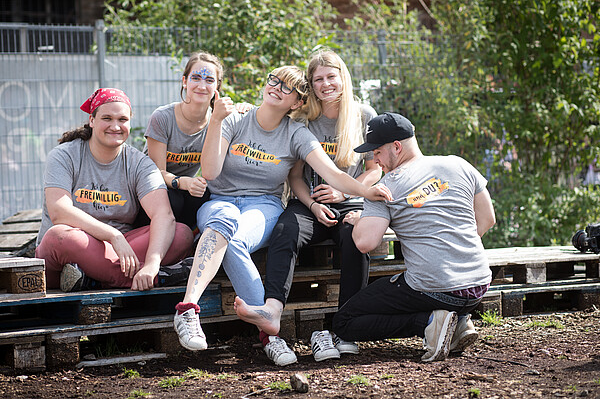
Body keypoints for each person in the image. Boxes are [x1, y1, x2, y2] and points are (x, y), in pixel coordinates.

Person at [171, 66, 393, 366]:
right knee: (220, 220)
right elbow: (209, 172)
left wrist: (367, 193)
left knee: (234, 241)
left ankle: (270, 330)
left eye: (286, 87)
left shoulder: (296, 133)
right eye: (273, 81)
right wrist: (217, 122)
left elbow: (331, 173)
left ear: (297, 103)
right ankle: (189, 310)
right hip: (221, 199)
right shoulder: (235, 118)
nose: (276, 87)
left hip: (263, 204)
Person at [234, 50, 381, 363]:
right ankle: (272, 311)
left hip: (351, 202)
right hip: (309, 204)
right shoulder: (304, 121)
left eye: (331, 77)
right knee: (285, 229)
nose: (326, 84)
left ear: (343, 77)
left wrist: (343, 195)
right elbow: (296, 176)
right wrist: (313, 205)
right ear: (311, 86)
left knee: (355, 239)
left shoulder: (364, 115)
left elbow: (375, 168)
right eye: (318, 80)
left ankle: (346, 327)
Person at [332, 112, 496, 362]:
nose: (375, 161)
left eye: (377, 152)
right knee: (424, 287)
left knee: (344, 321)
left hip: (434, 289)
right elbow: (487, 220)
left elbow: (364, 242)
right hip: (478, 285)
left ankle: (429, 323)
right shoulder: (458, 163)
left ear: (396, 147)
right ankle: (459, 320)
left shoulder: (387, 187)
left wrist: (361, 219)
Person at [35, 88, 194, 292]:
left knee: (181, 234)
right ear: (91, 120)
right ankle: (157, 279)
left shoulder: (139, 164)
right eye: (107, 118)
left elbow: (163, 215)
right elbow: (59, 212)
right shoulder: (64, 155)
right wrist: (113, 236)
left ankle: (92, 281)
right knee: (60, 236)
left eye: (122, 119)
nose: (115, 126)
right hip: (71, 251)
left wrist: (153, 263)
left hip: (120, 252)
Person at [139, 51, 222, 231]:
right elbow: (156, 172)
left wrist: (243, 107)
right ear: (185, 81)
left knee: (204, 196)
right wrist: (182, 182)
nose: (202, 85)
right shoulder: (162, 117)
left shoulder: (217, 121)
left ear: (217, 86)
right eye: (196, 78)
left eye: (209, 80)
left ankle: (188, 248)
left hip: (185, 188)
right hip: (152, 186)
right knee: (173, 200)